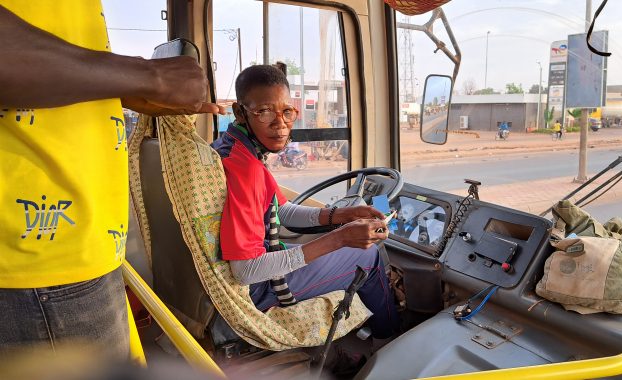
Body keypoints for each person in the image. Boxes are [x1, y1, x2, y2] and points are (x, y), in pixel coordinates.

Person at [0, 2, 224, 358]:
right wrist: (153, 76)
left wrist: (127, 90)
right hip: (39, 266)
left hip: (79, 253)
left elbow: (46, 73)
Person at [212, 64, 400, 339]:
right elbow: (246, 271)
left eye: (287, 111)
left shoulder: (232, 148)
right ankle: (390, 337)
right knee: (369, 256)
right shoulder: (246, 168)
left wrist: (338, 216)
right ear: (240, 112)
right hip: (259, 289)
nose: (280, 124)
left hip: (258, 262)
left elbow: (281, 210)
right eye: (264, 112)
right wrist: (339, 239)